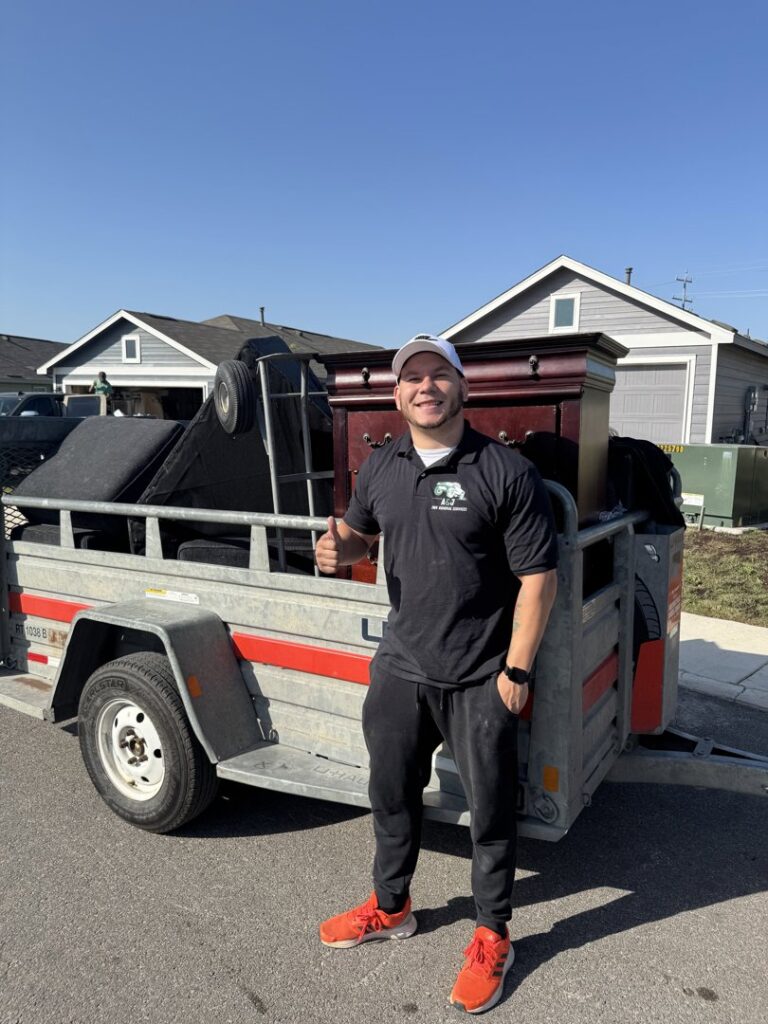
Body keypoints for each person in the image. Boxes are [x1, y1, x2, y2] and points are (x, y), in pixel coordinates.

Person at [314, 334, 559, 1014]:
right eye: (412, 377)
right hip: (401, 667)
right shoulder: (383, 466)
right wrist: (341, 548)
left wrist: (517, 668)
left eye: (438, 375)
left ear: (463, 388)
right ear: (397, 396)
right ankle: (392, 907)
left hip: (482, 674)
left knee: (489, 815)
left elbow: (539, 577)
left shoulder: (504, 471)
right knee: (390, 794)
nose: (426, 386)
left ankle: (492, 935)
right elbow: (364, 534)